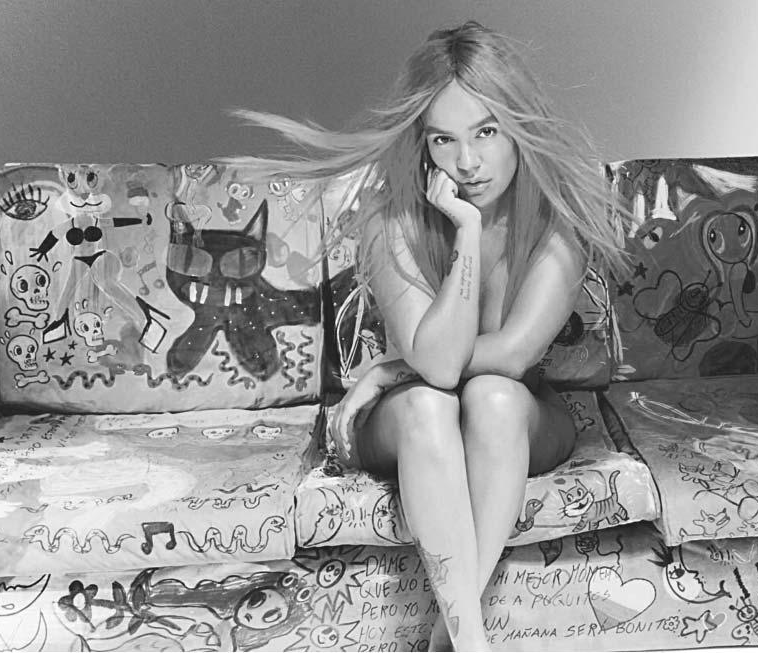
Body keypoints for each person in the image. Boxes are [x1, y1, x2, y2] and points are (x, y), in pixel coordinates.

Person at [227, 20, 636, 651]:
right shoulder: (391, 219)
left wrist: (390, 367)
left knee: (493, 397)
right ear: (422, 144)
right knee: (428, 405)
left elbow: (514, 356)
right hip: (406, 419)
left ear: (518, 127)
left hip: (517, 413)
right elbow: (440, 371)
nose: (467, 162)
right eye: (444, 139)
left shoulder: (558, 220)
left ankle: (450, 641)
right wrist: (465, 234)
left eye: (486, 132)